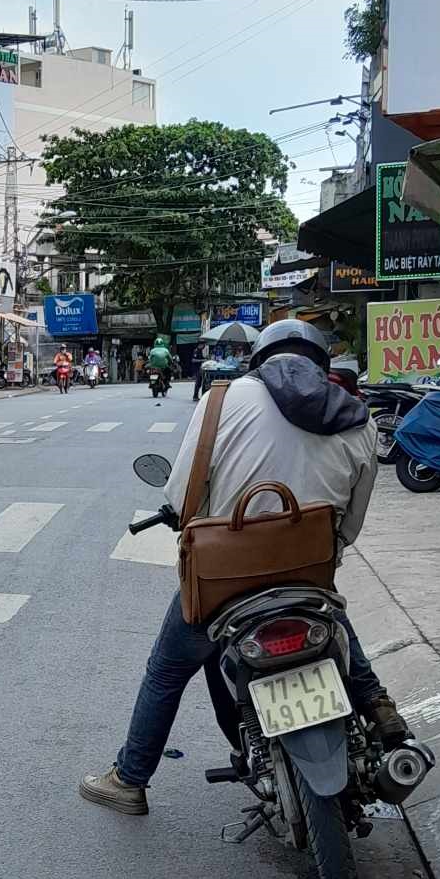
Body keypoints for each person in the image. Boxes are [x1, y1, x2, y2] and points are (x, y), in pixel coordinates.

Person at [79, 318, 410, 815]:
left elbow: (183, 497)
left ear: (259, 360)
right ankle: (378, 706)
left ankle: (129, 778)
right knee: (333, 619)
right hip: (307, 574)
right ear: (322, 364)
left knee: (167, 671)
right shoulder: (359, 419)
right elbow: (351, 524)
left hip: (225, 581)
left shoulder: (222, 399)